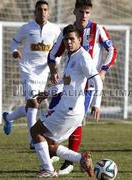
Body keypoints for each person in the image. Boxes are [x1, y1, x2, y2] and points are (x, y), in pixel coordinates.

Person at [47, 0, 117, 175]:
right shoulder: (69, 33)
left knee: (76, 121)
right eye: (81, 12)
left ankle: (69, 161)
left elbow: (112, 50)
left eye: (87, 12)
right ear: (75, 12)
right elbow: (52, 54)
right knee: (53, 115)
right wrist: (54, 69)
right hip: (68, 84)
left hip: (88, 88)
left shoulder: (98, 30)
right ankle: (54, 149)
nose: (84, 15)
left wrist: (103, 70)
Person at [30, 24, 103, 178]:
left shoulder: (83, 57)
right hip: (68, 110)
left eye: (72, 39)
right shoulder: (72, 56)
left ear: (79, 39)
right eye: (66, 39)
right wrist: (47, 93)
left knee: (35, 131)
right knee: (48, 144)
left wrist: (96, 103)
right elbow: (66, 83)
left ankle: (49, 170)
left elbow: (98, 81)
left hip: (69, 111)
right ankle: (81, 158)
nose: (68, 42)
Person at [2, 0, 61, 150]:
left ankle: (8, 117)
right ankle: (33, 139)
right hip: (28, 70)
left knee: (32, 105)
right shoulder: (26, 28)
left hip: (43, 72)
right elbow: (14, 43)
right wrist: (14, 52)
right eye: (40, 9)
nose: (43, 12)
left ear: (49, 12)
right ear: (35, 12)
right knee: (34, 104)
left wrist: (54, 66)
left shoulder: (55, 30)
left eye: (45, 9)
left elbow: (59, 50)